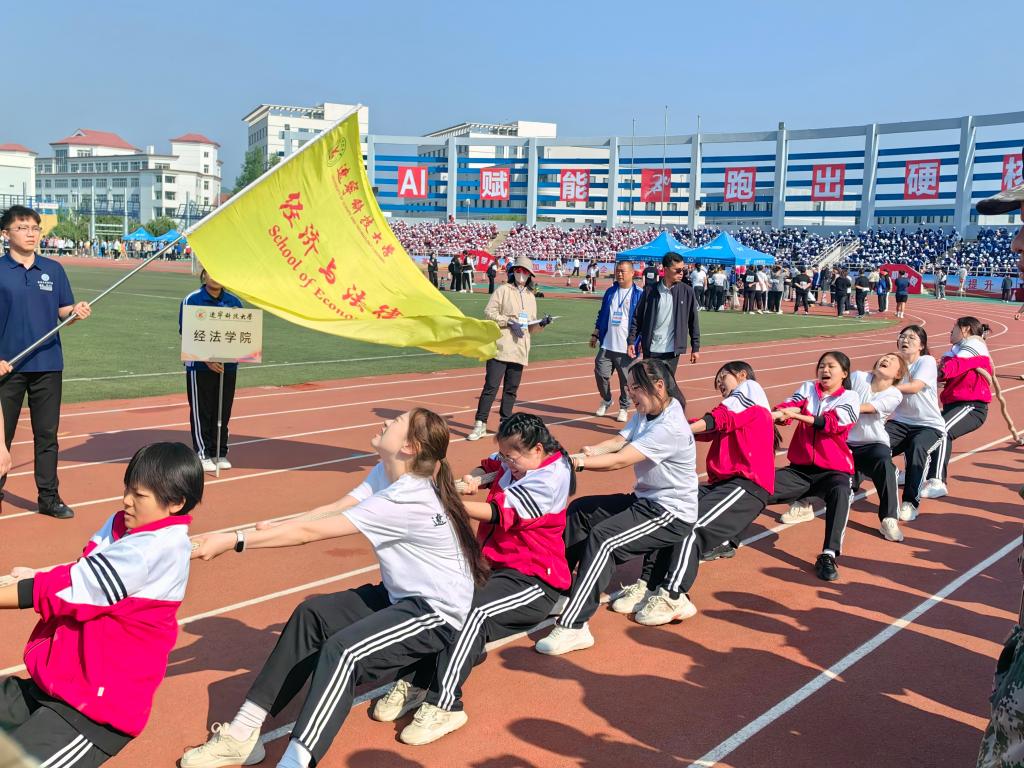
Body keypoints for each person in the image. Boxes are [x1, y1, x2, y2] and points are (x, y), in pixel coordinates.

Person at [182, 409, 488, 768]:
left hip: (436, 612)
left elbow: (310, 534)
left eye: (396, 422)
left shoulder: (406, 499)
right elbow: (334, 510)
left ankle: (295, 762)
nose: (385, 422)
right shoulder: (388, 473)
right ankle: (241, 736)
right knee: (312, 615)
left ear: (409, 447)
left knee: (344, 653)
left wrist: (235, 539)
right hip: (401, 596)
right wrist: (272, 527)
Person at [0, 442, 203, 766]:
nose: (127, 500)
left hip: (92, 714)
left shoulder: (153, 551)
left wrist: (35, 583)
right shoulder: (125, 526)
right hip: (62, 683)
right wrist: (39, 574)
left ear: (176, 503)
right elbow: (86, 573)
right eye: (127, 489)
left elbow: (70, 590)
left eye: (139, 495)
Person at [392, 414, 574, 745]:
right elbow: (489, 465)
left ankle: (446, 705)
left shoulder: (550, 479)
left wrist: (447, 502)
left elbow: (498, 513)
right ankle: (417, 680)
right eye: (504, 455)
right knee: (440, 599)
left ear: (537, 449)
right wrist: (476, 477)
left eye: (512, 457)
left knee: (472, 613)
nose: (507, 462)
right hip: (492, 567)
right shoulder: (516, 458)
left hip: (533, 579)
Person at [533, 359, 698, 655]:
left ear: (659, 386)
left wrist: (578, 464)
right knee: (581, 511)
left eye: (635, 387)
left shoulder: (670, 426)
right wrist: (589, 451)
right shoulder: (647, 412)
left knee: (604, 540)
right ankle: (560, 591)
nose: (629, 393)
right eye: (628, 387)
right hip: (647, 501)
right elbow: (618, 442)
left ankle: (574, 627)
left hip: (670, 513)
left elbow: (620, 460)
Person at [615, 362, 779, 622]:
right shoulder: (735, 407)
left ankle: (673, 596)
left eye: (723, 377)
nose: (719, 384)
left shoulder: (750, 391)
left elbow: (719, 419)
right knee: (670, 512)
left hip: (747, 484)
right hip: (722, 483)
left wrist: (675, 429)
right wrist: (669, 429)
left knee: (692, 527)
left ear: (742, 375)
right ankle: (649, 584)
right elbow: (705, 429)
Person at [0, 205, 92, 519]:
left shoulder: (53, 270)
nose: (31, 233)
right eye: (22, 227)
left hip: (48, 364)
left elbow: (63, 312)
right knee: (2, 435)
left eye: (35, 228)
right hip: (8, 367)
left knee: (47, 436)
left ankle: (49, 498)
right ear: (6, 234)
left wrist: (76, 312)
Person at [765, 351, 862, 581]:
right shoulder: (808, 388)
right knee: (758, 487)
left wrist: (799, 416)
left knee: (842, 492)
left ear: (844, 373)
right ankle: (729, 539)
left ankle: (829, 554)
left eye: (831, 366)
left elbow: (832, 424)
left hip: (833, 472)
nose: (824, 370)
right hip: (799, 470)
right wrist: (779, 414)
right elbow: (791, 405)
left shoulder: (850, 397)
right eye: (821, 366)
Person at [467, 257, 552, 441]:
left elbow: (530, 328)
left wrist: (542, 324)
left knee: (511, 390)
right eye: (518, 270)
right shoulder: (503, 290)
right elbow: (489, 312)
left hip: (520, 349)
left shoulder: (531, 296)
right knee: (491, 387)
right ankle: (480, 424)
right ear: (513, 271)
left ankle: (505, 424)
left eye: (525, 271)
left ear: (530, 275)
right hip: (501, 346)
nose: (521, 274)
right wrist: (508, 321)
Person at [179, 269, 244, 473]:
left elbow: (242, 333)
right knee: (202, 411)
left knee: (223, 410)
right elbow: (186, 332)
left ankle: (219, 452)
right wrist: (207, 359)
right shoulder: (192, 300)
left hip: (227, 366)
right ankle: (202, 453)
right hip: (199, 366)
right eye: (211, 272)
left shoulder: (234, 302)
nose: (215, 277)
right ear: (204, 275)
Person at [920, 316, 992, 500]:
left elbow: (954, 366)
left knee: (942, 431)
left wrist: (935, 371)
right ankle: (919, 472)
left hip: (971, 406)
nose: (950, 331)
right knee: (923, 429)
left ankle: (937, 481)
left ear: (965, 329)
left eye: (954, 328)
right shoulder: (956, 350)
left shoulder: (974, 346)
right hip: (954, 405)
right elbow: (945, 366)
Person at [887, 325, 946, 522]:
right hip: (900, 423)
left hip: (929, 426)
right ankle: (851, 487)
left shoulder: (926, 361)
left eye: (912, 337)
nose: (905, 340)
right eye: (902, 336)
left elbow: (915, 387)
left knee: (917, 448)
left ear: (921, 345)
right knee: (874, 445)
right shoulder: (894, 364)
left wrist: (887, 387)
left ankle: (910, 503)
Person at [848, 354, 907, 542]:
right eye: (885, 357)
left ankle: (889, 519)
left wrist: (842, 407)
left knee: (885, 464)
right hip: (845, 442)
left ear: (898, 374)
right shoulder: (858, 377)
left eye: (892, 360)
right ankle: (803, 502)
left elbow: (869, 408)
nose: (886, 359)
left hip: (872, 444)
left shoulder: (894, 394)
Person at [628, 253, 701, 376]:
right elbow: (637, 318)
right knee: (650, 384)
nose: (681, 273)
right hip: (651, 349)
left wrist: (695, 348)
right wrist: (631, 341)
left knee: (667, 384)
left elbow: (693, 321)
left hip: (672, 352)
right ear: (666, 269)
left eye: (683, 270)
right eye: (677, 270)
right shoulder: (650, 291)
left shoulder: (687, 292)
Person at [591, 260, 642, 423]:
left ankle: (624, 407)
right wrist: (595, 333)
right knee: (601, 374)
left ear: (632, 273)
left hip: (627, 347)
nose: (619, 274)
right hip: (607, 344)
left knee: (626, 381)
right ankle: (606, 399)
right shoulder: (610, 291)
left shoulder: (639, 294)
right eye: (617, 271)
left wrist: (637, 342)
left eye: (623, 271)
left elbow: (642, 322)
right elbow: (602, 314)